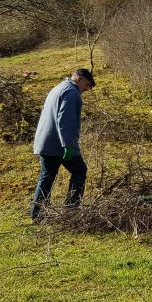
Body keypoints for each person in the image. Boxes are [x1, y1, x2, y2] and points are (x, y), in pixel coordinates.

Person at [29, 68, 95, 221]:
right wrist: (68, 145)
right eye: (87, 84)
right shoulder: (72, 93)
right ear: (79, 78)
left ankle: (37, 215)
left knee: (46, 177)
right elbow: (65, 122)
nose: (87, 89)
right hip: (58, 144)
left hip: (45, 142)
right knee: (79, 171)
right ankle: (71, 211)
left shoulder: (59, 87)